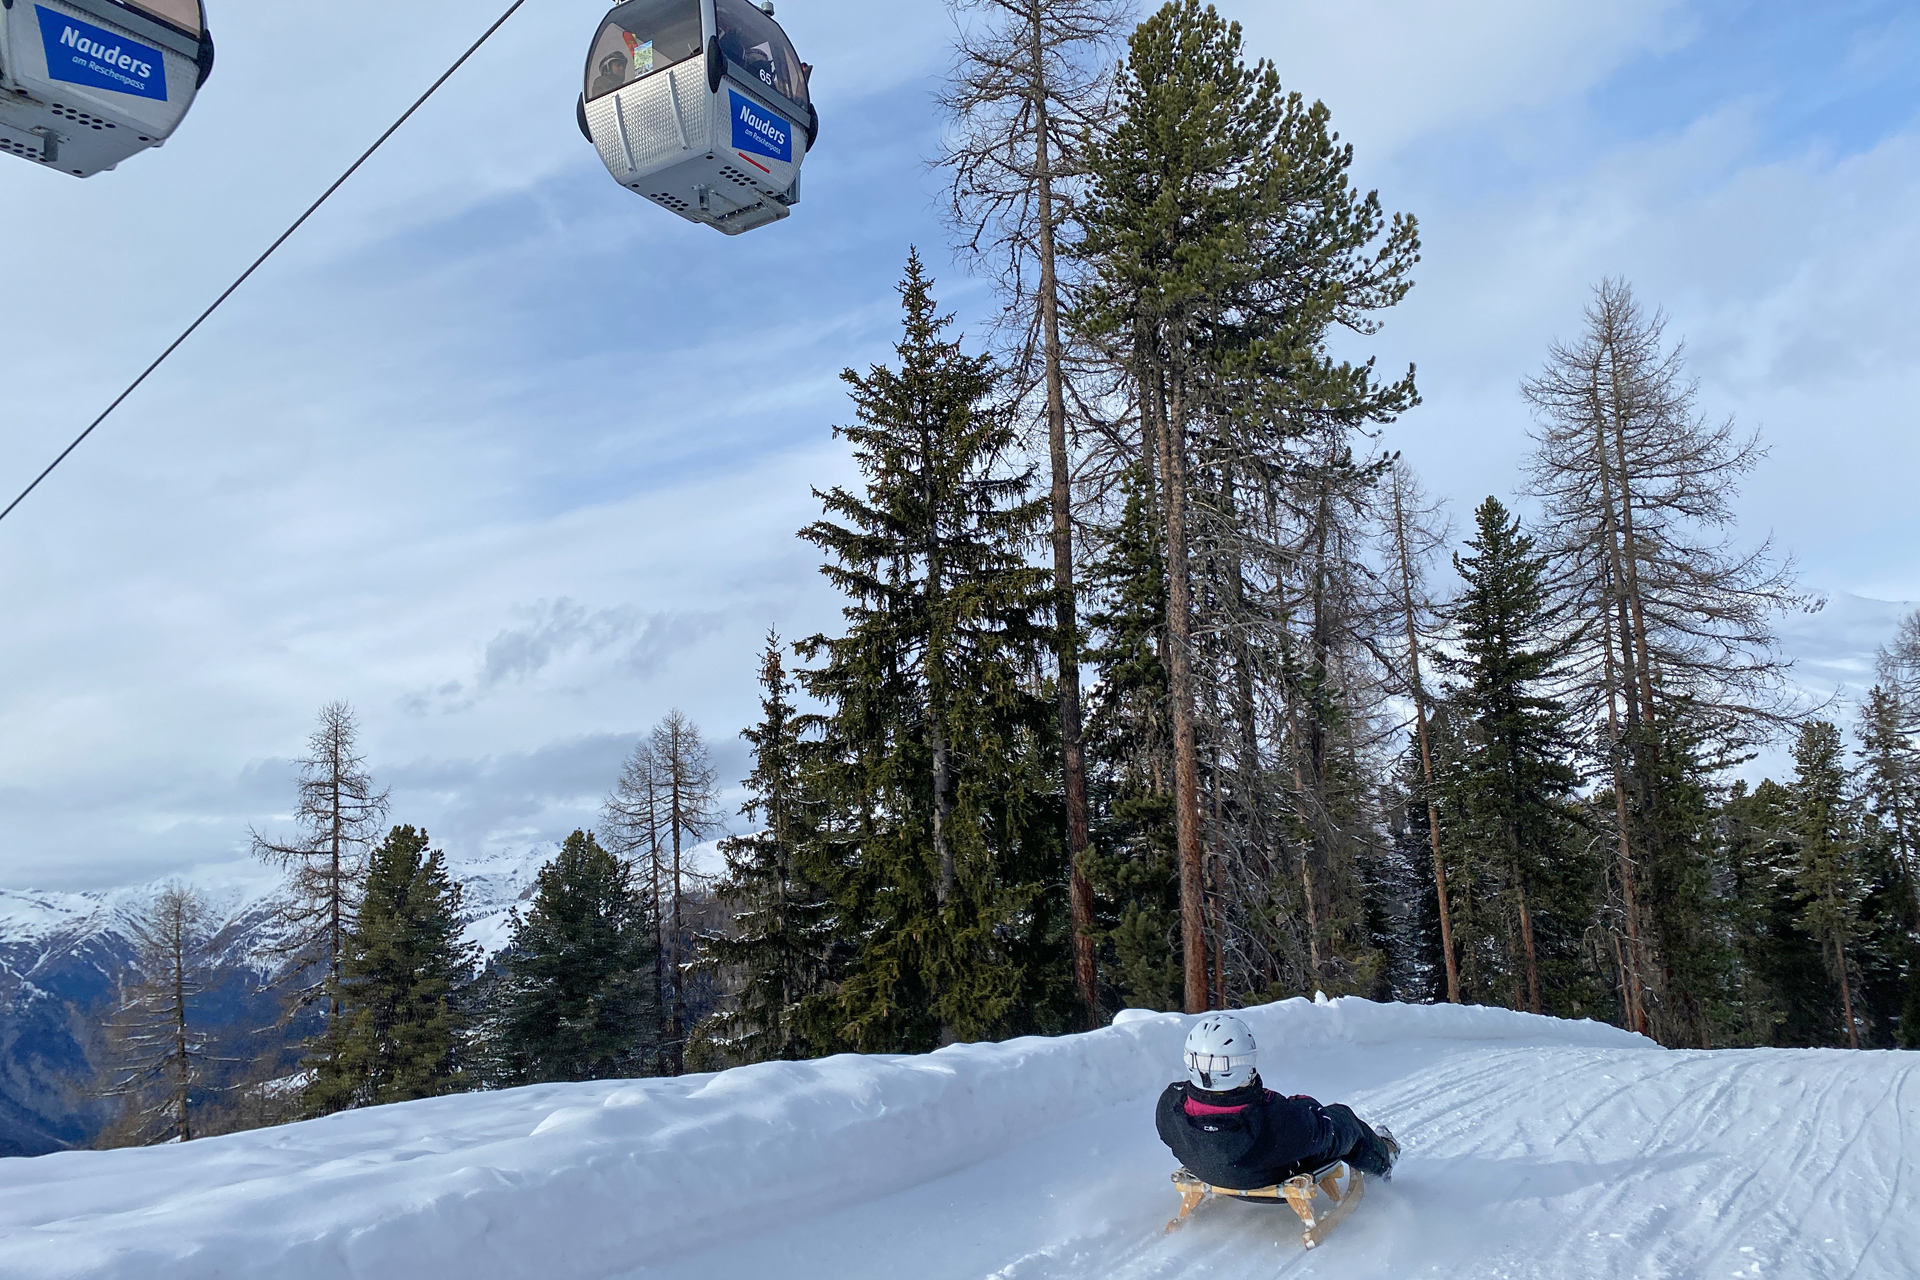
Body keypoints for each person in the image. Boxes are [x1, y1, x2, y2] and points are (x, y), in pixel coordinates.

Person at [1156, 1013, 1400, 1191]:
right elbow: (1319, 1130)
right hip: (1262, 1175)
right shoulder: (1272, 1119)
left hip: (1206, 1168)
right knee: (1343, 1120)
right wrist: (1312, 1109)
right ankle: (1383, 1159)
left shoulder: (1170, 1104)